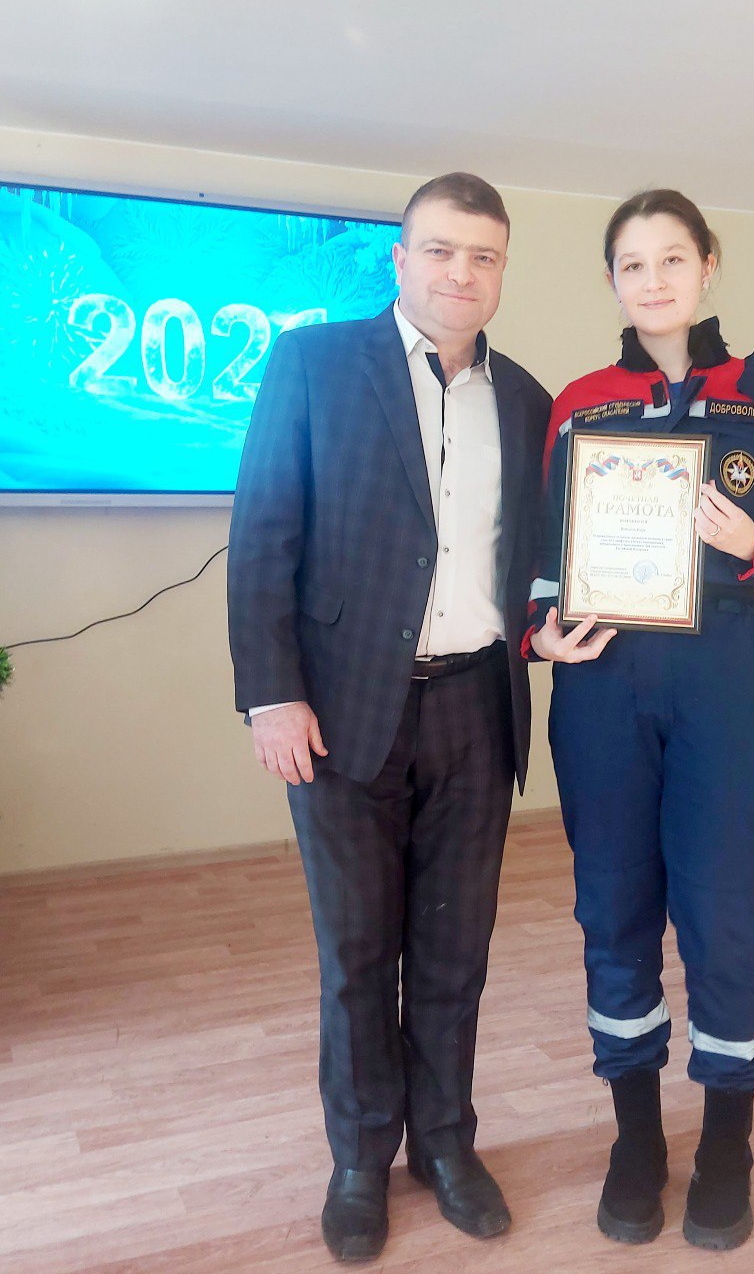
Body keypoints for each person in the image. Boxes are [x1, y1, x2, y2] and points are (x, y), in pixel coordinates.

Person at [227, 173, 550, 1263]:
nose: (463, 272)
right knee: (359, 951)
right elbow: (263, 533)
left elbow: (532, 556)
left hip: (477, 705)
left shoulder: (526, 399)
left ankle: (446, 1144)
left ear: (501, 271)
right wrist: (272, 693)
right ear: (400, 259)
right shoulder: (315, 363)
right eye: (442, 250)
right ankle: (361, 1156)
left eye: (484, 255)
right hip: (338, 713)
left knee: (456, 950)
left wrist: (555, 621)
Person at [527, 189, 754, 1252]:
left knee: (722, 910)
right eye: (632, 263)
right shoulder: (578, 403)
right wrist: (541, 631)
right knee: (612, 906)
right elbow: (539, 548)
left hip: (721, 684)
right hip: (603, 685)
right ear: (611, 281)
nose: (653, 279)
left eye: (672, 257)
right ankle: (635, 1139)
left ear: (708, 264)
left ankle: (724, 1141)